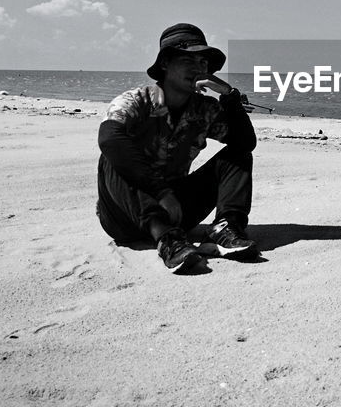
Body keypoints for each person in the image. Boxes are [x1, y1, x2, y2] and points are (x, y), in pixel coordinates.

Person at [96, 23, 257, 273]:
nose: (198, 68)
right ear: (165, 64)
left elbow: (245, 143)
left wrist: (229, 96)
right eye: (188, 60)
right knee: (113, 151)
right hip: (123, 216)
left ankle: (225, 228)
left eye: (203, 62)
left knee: (238, 154)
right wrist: (160, 192)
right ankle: (167, 239)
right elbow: (109, 139)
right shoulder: (136, 101)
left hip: (177, 209)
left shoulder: (205, 109)